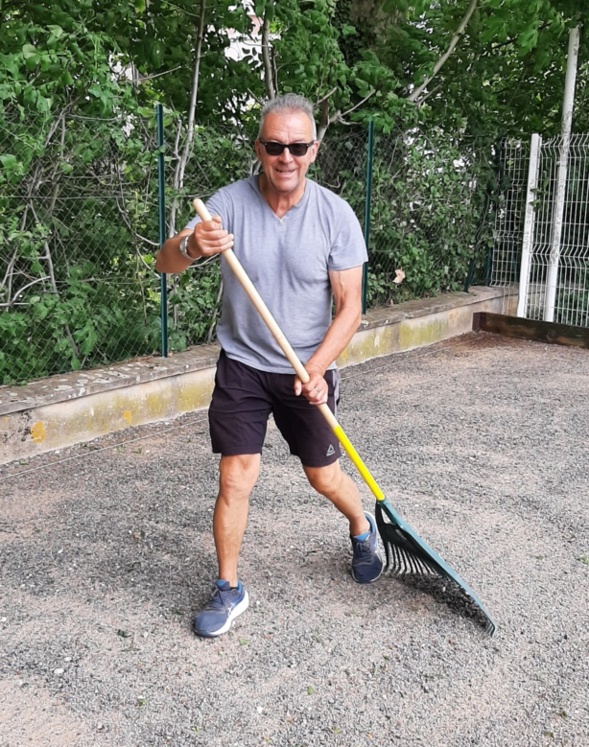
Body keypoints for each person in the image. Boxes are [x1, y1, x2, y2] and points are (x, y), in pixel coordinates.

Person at [155, 93, 383, 638]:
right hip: (244, 364)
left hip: (308, 364)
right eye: (276, 146)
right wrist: (191, 245)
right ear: (260, 148)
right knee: (236, 476)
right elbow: (166, 264)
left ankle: (361, 524)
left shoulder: (335, 215)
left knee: (323, 475)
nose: (287, 157)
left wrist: (319, 369)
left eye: (298, 146)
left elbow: (351, 308)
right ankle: (229, 588)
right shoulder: (227, 205)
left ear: (314, 150)